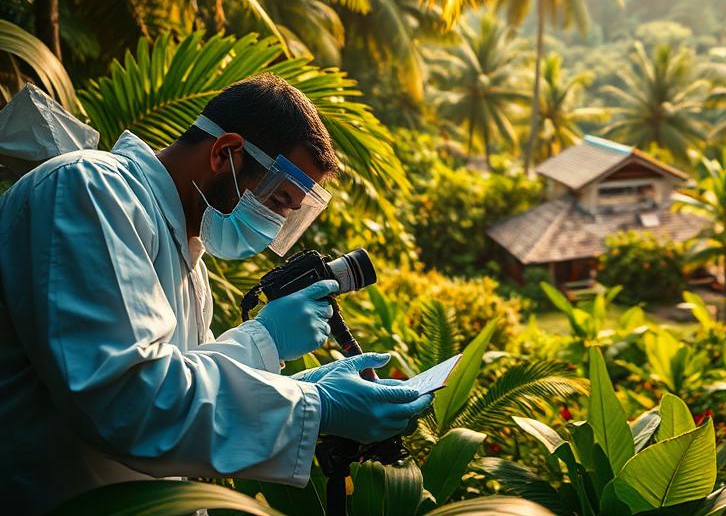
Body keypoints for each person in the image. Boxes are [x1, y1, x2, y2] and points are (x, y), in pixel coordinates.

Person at [0, 75, 431, 514]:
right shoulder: (90, 191)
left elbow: (189, 391)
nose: (274, 226)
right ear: (225, 153)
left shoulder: (190, 261)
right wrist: (313, 401)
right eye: (279, 200)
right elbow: (128, 402)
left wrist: (300, 383)